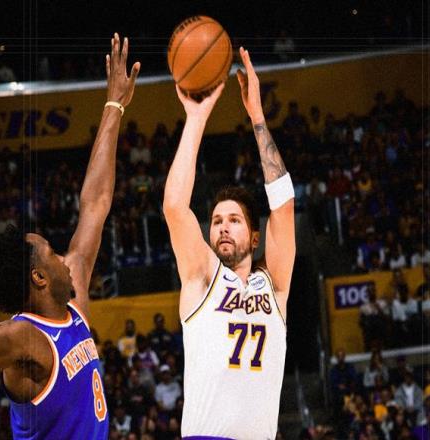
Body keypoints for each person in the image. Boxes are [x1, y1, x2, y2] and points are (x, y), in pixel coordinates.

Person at [0, 34, 140, 439]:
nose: (64, 258)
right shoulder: (23, 336)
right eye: (52, 253)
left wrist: (114, 106)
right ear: (38, 277)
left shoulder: (75, 308)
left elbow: (96, 204)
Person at [163, 47, 295, 439]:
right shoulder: (202, 278)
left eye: (234, 220)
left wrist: (257, 117)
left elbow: (284, 206)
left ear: (254, 238)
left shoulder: (274, 286)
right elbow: (174, 207)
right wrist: (196, 118)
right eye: (217, 221)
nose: (222, 227)